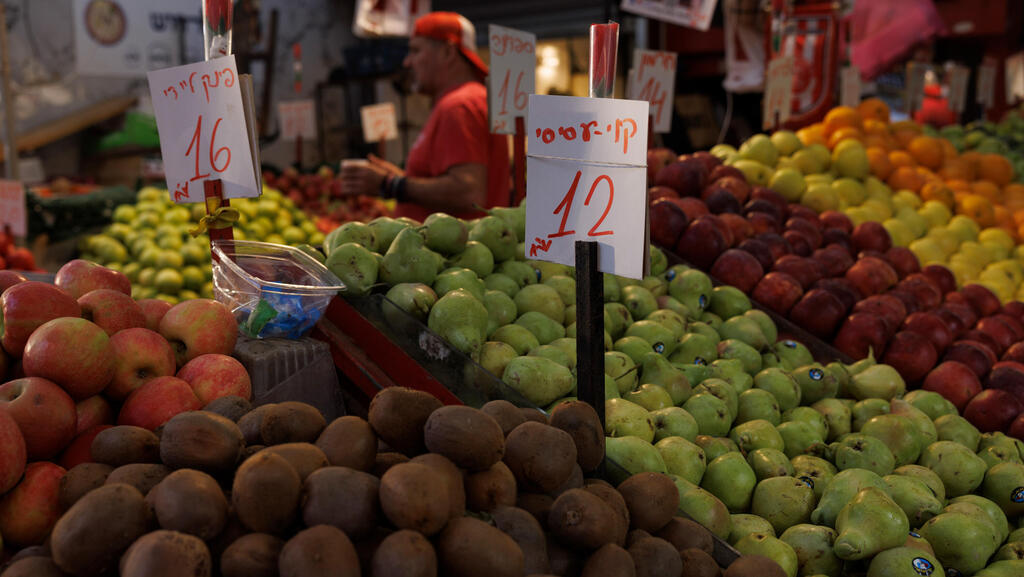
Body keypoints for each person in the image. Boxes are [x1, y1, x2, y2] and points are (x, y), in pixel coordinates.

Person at [340, 12, 511, 221]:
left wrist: (390, 184)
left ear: (447, 52)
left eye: (415, 50)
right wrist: (400, 178)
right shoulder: (469, 99)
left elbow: (468, 192)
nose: (407, 62)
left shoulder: (459, 105)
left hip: (454, 250)